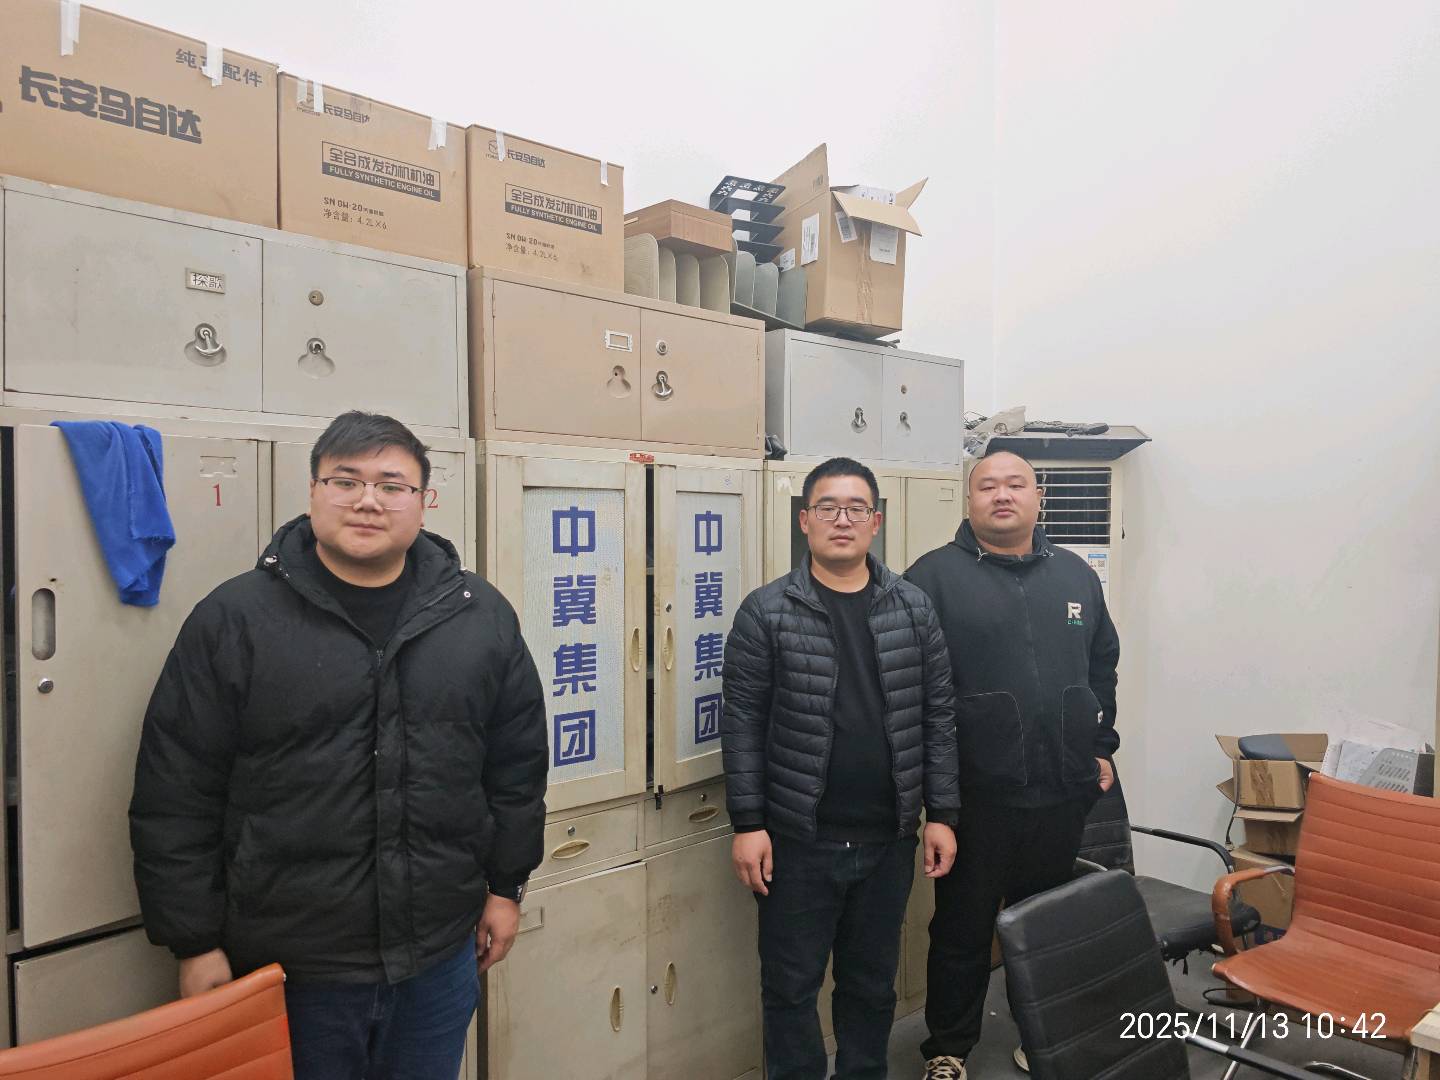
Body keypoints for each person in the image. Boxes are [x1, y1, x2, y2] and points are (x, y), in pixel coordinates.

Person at [129, 410, 548, 1078]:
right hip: (291, 967)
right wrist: (195, 942)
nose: (368, 501)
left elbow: (516, 769)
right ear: (313, 492)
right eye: (345, 481)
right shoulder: (236, 619)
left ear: (424, 499)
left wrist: (506, 887)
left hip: (438, 955)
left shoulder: (479, 616)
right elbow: (176, 790)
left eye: (392, 485)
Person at [721, 456, 960, 1080]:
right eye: (827, 507)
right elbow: (741, 723)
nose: (842, 520)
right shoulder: (766, 612)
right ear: (804, 520)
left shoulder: (913, 608)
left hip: (888, 840)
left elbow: (937, 716)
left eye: (857, 508)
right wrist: (747, 823)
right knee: (790, 989)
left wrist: (943, 814)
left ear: (876, 522)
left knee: (871, 987)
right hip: (797, 842)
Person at [905, 449, 1120, 1080]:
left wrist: (1100, 745)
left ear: (1037, 496)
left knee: (1047, 925)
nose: (1003, 495)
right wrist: (937, 800)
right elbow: (913, 689)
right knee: (962, 930)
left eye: (1016, 484)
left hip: (1062, 790)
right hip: (977, 797)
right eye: (988, 486)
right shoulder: (932, 578)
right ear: (969, 500)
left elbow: (1102, 663)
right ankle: (948, 1049)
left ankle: (1042, 1036)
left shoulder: (1076, 575)